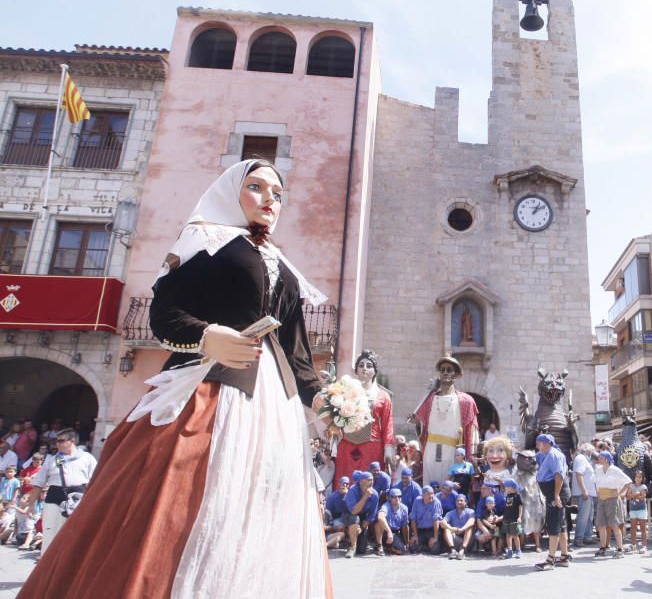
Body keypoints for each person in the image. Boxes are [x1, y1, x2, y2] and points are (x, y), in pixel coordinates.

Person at [21, 160, 335, 597]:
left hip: (274, 407)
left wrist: (323, 402)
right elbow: (164, 314)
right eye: (257, 187)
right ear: (231, 192)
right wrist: (207, 336)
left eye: (278, 194)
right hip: (208, 387)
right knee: (179, 498)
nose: (270, 200)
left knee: (264, 505)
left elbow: (297, 352)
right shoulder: (203, 240)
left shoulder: (283, 267)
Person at [24, 428, 97, 555]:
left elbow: (96, 480)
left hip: (78, 496)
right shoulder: (51, 460)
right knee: (50, 532)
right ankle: (46, 562)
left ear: (72, 441)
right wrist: (31, 505)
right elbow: (39, 483)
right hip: (54, 495)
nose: (57, 444)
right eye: (56, 441)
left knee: (74, 534)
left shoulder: (87, 458)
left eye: (61, 441)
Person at [410, 355, 479, 486]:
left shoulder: (466, 401)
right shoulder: (429, 399)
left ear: (456, 374)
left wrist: (473, 454)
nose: (445, 372)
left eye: (449, 369)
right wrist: (418, 423)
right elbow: (423, 427)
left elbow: (472, 430)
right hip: (431, 450)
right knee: (429, 487)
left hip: (453, 451)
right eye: (442, 370)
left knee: (450, 487)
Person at [335, 350, 395, 482]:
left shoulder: (382, 396)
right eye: (361, 365)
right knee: (345, 482)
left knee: (368, 484)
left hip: (372, 447)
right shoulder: (345, 392)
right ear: (356, 370)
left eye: (369, 366)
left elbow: (387, 425)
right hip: (347, 445)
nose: (364, 369)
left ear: (375, 371)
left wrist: (388, 450)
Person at [533, 433, 571, 570]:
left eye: (538, 443)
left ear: (545, 443)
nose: (537, 445)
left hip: (557, 493)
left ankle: (550, 560)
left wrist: (556, 495)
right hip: (553, 493)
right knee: (560, 525)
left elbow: (559, 475)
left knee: (554, 524)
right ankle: (564, 556)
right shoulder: (548, 454)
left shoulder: (553, 454)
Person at [591, 450, 630, 558]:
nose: (599, 459)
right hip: (602, 498)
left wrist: (619, 493)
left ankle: (620, 548)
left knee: (614, 524)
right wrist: (598, 492)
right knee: (601, 524)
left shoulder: (615, 470)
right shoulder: (598, 470)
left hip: (612, 499)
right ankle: (603, 547)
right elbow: (595, 482)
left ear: (607, 459)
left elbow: (628, 482)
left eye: (601, 457)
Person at [345, 471, 380, 558]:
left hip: (364, 517)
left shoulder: (375, 494)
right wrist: (365, 496)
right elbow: (354, 511)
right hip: (350, 515)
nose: (371, 482)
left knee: (361, 550)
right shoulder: (353, 490)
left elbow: (373, 513)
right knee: (354, 518)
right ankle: (352, 547)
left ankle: (352, 540)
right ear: (361, 482)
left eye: (372, 480)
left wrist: (364, 525)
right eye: (368, 480)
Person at [571, 443, 596, 547]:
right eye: (591, 451)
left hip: (588, 493)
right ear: (587, 451)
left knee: (589, 516)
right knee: (583, 516)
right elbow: (579, 474)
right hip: (584, 493)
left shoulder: (585, 459)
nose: (592, 453)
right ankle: (579, 538)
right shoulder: (581, 458)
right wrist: (584, 490)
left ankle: (587, 537)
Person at [374, 488, 410, 556]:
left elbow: (405, 526)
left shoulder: (405, 508)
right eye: (394, 496)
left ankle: (388, 547)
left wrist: (407, 543)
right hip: (385, 532)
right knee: (378, 524)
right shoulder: (386, 505)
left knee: (401, 550)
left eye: (399, 496)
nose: (397, 498)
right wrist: (389, 531)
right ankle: (379, 546)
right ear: (390, 498)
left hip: (396, 532)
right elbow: (380, 516)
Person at [409, 485, 443, 554]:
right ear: (423, 495)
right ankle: (424, 546)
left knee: (435, 550)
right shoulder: (417, 501)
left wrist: (435, 538)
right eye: (428, 494)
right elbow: (413, 519)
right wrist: (415, 535)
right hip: (420, 531)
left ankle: (425, 546)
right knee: (412, 548)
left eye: (432, 493)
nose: (431, 496)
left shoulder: (436, 502)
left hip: (432, 530)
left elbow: (436, 520)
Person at [441, 493, 476, 559]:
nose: (459, 502)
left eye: (461, 500)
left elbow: (472, 521)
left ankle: (462, 551)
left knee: (469, 527)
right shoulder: (450, 513)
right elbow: (442, 522)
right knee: (446, 527)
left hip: (468, 541)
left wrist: (462, 529)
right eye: (457, 500)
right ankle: (453, 550)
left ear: (465, 502)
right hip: (455, 540)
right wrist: (451, 528)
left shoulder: (470, 511)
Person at [625, 469, 649, 554]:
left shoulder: (644, 487)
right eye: (636, 476)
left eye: (640, 477)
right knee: (633, 528)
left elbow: (643, 497)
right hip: (633, 509)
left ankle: (644, 546)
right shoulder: (631, 486)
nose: (638, 478)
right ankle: (633, 545)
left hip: (642, 509)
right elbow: (628, 496)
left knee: (643, 528)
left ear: (642, 478)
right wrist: (637, 494)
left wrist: (633, 495)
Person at [500, 479, 523, 559]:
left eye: (507, 487)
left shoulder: (517, 496)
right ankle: (510, 551)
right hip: (507, 518)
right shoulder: (507, 496)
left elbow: (520, 507)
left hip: (514, 518)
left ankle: (518, 550)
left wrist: (519, 517)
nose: (505, 488)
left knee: (515, 535)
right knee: (508, 535)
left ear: (511, 487)